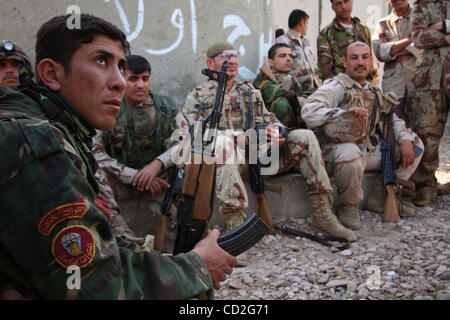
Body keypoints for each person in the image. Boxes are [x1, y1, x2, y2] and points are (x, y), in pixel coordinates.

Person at [0, 14, 236, 299]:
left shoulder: (54, 125)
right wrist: (196, 267)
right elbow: (95, 287)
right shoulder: (35, 140)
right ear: (51, 74)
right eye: (101, 60)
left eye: (121, 67)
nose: (120, 82)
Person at [183, 41, 357, 247]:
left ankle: (323, 212)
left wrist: (278, 132)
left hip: (259, 159)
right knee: (221, 143)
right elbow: (194, 136)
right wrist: (240, 137)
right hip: (226, 165)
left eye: (235, 56)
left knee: (305, 136)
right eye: (225, 57)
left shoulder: (249, 91)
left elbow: (270, 119)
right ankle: (236, 226)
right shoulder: (198, 96)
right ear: (210, 63)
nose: (232, 61)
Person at [302, 42, 423, 230]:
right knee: (351, 153)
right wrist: (343, 115)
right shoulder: (337, 86)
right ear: (344, 62)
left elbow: (391, 117)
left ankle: (379, 196)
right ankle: (348, 206)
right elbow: (309, 110)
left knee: (416, 146)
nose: (360, 62)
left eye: (365, 57)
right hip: (337, 150)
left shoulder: (373, 90)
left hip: (367, 150)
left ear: (372, 63)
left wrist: (405, 138)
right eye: (354, 58)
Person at [92, 55, 188, 239]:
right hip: (122, 181)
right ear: (121, 79)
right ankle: (123, 236)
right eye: (133, 79)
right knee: (93, 174)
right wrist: (135, 176)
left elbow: (185, 141)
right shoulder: (107, 107)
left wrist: (157, 164)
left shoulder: (165, 106)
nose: (140, 85)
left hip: (160, 179)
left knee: (194, 162)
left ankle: (193, 228)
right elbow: (96, 153)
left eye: (145, 78)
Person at [409, 0, 450, 205]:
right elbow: (419, 38)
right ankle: (426, 184)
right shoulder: (421, 4)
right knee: (427, 132)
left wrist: (442, 26)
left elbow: (428, 35)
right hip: (430, 77)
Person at [372, 0, 418, 127]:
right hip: (393, 86)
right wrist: (410, 40)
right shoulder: (383, 24)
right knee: (393, 129)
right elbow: (379, 52)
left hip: (418, 82)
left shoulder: (420, 17)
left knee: (422, 131)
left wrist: (392, 49)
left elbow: (423, 45)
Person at [317, 0, 377, 82]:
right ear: (333, 7)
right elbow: (325, 69)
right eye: (339, 3)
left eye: (346, 1)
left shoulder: (363, 30)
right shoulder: (326, 34)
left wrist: (370, 84)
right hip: (341, 85)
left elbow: (369, 61)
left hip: (364, 84)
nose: (343, 6)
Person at [253, 43, 307, 128]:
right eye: (283, 56)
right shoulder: (262, 79)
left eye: (290, 56)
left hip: (297, 120)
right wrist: (297, 99)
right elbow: (275, 92)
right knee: (281, 104)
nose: (288, 59)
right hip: (271, 126)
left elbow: (305, 92)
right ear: (271, 62)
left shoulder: (292, 79)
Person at [276, 9, 322, 97]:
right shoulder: (283, 42)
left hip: (314, 91)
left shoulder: (306, 42)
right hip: (296, 92)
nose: (307, 27)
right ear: (301, 23)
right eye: (306, 23)